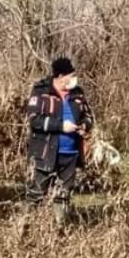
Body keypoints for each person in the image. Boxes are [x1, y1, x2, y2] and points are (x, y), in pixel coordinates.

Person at [25, 57, 94, 225]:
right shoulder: (41, 91)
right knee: (36, 193)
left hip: (70, 154)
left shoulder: (78, 93)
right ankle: (27, 227)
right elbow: (34, 120)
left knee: (64, 195)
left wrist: (84, 125)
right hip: (46, 152)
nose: (74, 78)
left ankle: (59, 228)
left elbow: (88, 115)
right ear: (61, 76)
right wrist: (61, 126)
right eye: (71, 74)